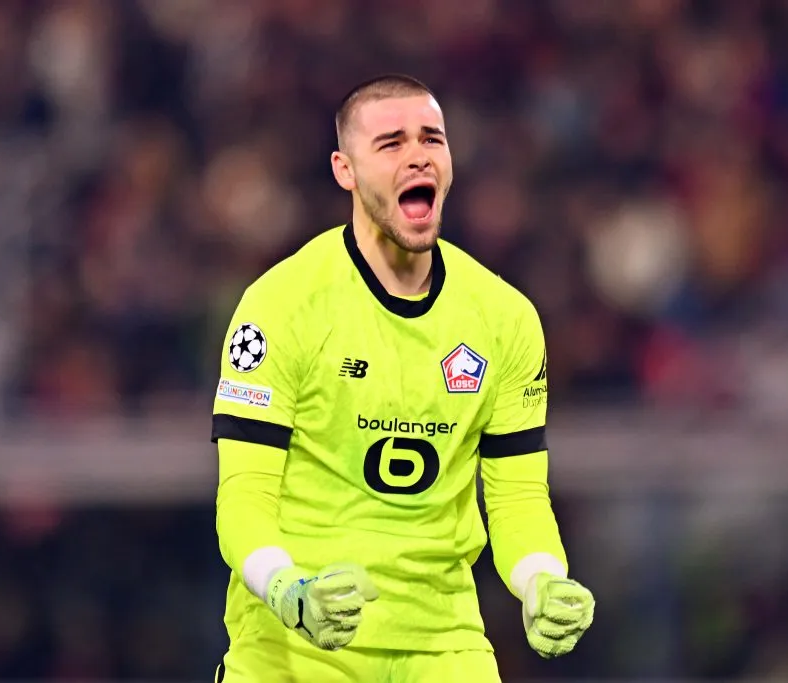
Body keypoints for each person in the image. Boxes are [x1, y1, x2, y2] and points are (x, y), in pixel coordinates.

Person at [211, 74, 594, 683]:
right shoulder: (280, 305)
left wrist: (543, 579)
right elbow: (242, 500)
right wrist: (287, 588)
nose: (417, 154)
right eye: (390, 143)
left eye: (432, 139)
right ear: (346, 170)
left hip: (442, 643)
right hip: (294, 642)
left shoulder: (505, 319)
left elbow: (518, 499)